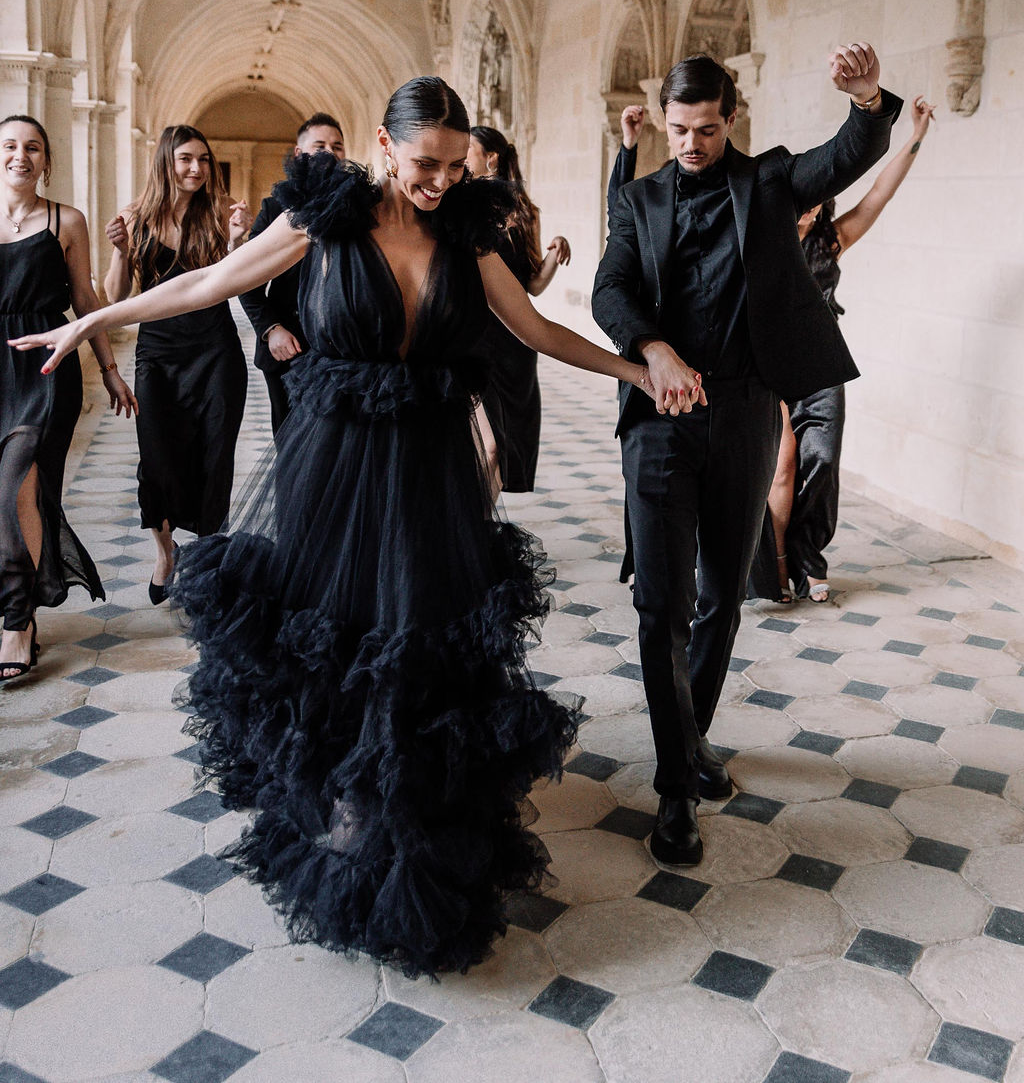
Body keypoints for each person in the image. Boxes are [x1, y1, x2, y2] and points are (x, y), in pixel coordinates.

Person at [13, 76, 655, 978]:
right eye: (424, 163)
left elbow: (537, 329)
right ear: (385, 147)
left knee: (421, 646)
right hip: (335, 465)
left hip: (431, 469)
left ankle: (415, 838)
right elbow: (212, 280)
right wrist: (96, 319)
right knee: (339, 643)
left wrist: (638, 372)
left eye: (452, 165)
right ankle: (347, 828)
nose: (437, 181)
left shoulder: (466, 229)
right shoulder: (326, 212)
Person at [592, 44, 902, 867]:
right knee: (661, 604)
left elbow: (841, 158)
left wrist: (867, 100)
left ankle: (690, 737)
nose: (690, 143)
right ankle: (673, 789)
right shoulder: (637, 199)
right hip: (661, 413)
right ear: (662, 121)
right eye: (679, 129)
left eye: (705, 129)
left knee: (722, 594)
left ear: (730, 120)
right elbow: (609, 288)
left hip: (743, 414)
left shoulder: (764, 183)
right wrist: (650, 347)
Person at [752, 94, 936, 604]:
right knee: (782, 464)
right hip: (771, 368)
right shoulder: (758, 242)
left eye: (817, 196)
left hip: (823, 364)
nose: (809, 204)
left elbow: (878, 194)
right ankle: (778, 561)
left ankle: (810, 558)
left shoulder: (830, 242)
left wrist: (915, 136)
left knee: (824, 463)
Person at [0, 115, 136, 682]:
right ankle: (21, 600)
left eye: (33, 147)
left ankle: (16, 620)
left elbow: (86, 298)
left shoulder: (66, 221)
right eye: (9, 146)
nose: (20, 156)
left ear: (47, 161)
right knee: (10, 495)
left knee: (16, 484)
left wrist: (108, 367)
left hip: (44, 365)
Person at [104, 125, 252, 603]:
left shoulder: (217, 215)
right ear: (165, 161)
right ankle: (166, 553)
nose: (196, 168)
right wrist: (120, 251)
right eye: (186, 158)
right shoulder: (136, 217)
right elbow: (115, 297)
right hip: (158, 356)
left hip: (215, 352)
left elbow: (231, 282)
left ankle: (207, 562)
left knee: (214, 459)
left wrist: (235, 242)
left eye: (204, 159)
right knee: (158, 460)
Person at [466, 124, 571, 496]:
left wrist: (554, 256)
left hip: (516, 343)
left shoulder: (525, 212)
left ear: (490, 158)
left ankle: (481, 537)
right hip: (475, 337)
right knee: (486, 446)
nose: (462, 159)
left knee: (504, 447)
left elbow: (533, 286)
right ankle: (475, 539)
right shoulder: (460, 206)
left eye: (469, 151)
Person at [238, 113, 346, 436]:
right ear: (299, 154)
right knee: (290, 443)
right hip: (288, 345)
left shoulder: (357, 211)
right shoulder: (274, 209)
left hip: (341, 352)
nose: (330, 152)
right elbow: (247, 279)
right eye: (320, 145)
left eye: (338, 146)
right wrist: (271, 330)